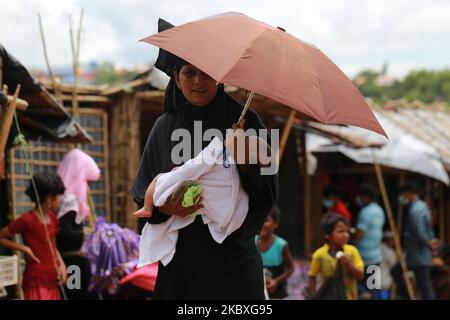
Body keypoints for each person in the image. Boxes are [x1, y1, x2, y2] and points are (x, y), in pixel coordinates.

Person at [131, 19, 278, 299]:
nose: (198, 81)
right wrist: (169, 209)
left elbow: (270, 192)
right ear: (176, 78)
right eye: (189, 73)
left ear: (219, 77)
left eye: (206, 73)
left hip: (234, 261)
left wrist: (245, 161)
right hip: (181, 267)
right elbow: (142, 191)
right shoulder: (164, 127)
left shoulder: (249, 122)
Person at [0, 173, 67, 300]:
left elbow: (52, 245)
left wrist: (62, 264)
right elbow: (1, 236)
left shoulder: (53, 219)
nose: (60, 200)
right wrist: (24, 248)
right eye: (59, 197)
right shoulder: (27, 219)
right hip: (36, 281)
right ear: (49, 199)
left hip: (53, 280)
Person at [56, 148, 100, 300]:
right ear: (78, 175)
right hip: (72, 263)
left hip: (67, 261)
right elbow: (63, 233)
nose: (87, 187)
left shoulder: (59, 197)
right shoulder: (69, 200)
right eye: (86, 181)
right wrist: (87, 234)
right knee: (75, 295)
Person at [392, 181, 437, 300]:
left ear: (407, 193)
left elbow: (419, 232)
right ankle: (409, 296)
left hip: (418, 255)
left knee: (425, 287)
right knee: (397, 272)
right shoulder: (422, 206)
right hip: (414, 255)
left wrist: (428, 242)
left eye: (402, 194)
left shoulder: (416, 210)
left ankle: (409, 295)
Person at [308, 214, 364, 300]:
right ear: (327, 235)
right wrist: (313, 295)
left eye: (347, 231)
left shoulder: (352, 252)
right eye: (341, 231)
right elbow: (312, 276)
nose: (346, 235)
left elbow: (360, 276)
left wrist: (348, 264)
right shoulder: (319, 255)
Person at [255, 206, 294, 299]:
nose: (262, 224)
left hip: (276, 291)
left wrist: (276, 281)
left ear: (276, 224)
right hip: (257, 289)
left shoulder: (281, 245)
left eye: (266, 220)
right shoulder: (251, 242)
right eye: (260, 220)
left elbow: (290, 268)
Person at [354, 184, 385, 299]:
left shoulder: (365, 212)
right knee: (373, 288)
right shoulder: (380, 210)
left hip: (364, 258)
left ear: (366, 197)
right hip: (376, 256)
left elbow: (359, 235)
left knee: (364, 292)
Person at [377, 231, 397, 300]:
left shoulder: (376, 247)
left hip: (373, 281)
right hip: (384, 283)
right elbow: (394, 266)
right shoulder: (389, 251)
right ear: (388, 240)